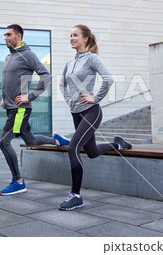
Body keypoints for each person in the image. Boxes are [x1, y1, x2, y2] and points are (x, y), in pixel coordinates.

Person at [55, 24, 132, 210]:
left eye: (75, 35)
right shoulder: (70, 62)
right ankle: (118, 144)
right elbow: (61, 83)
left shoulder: (92, 58)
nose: (71, 38)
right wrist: (68, 99)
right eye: (70, 35)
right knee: (92, 152)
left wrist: (96, 98)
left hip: (91, 112)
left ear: (85, 39)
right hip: (76, 113)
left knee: (73, 147)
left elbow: (109, 79)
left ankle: (76, 195)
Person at [0, 24, 65, 196]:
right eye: (4, 34)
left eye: (8, 34)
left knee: (3, 142)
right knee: (31, 141)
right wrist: (4, 98)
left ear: (18, 36)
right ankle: (56, 140)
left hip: (20, 110)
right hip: (11, 107)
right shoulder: (9, 57)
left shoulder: (27, 55)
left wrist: (31, 95)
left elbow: (46, 76)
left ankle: (18, 182)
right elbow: (10, 80)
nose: (5, 37)